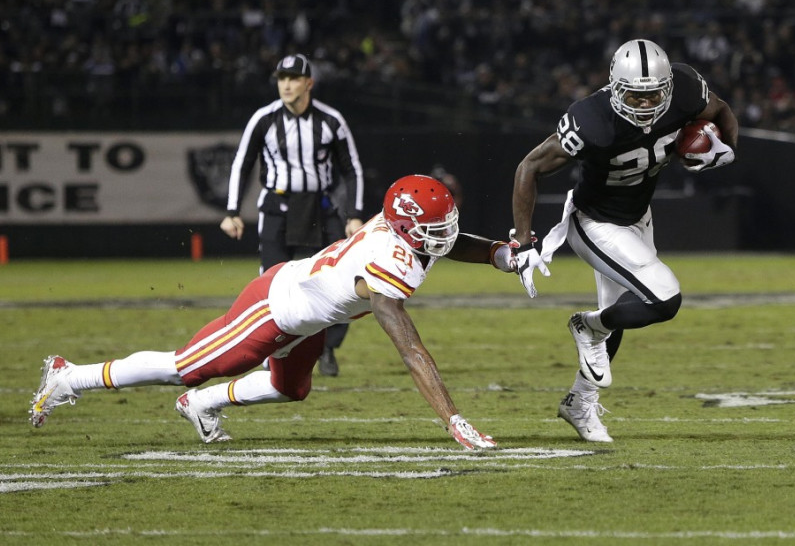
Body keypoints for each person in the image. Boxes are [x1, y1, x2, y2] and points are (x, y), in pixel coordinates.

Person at [30, 175, 519, 450]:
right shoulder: (382, 265)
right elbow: (412, 351)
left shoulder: (401, 235)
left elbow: (449, 244)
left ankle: (203, 405)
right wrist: (453, 418)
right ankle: (70, 376)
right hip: (274, 308)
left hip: (311, 313)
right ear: (408, 227)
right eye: (436, 225)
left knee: (291, 389)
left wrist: (501, 253)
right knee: (186, 367)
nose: (446, 232)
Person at [511, 39, 737, 443]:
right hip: (593, 222)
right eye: (636, 94)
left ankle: (579, 402)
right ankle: (586, 325)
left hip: (637, 216)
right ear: (615, 87)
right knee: (664, 297)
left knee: (624, 312)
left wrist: (727, 149)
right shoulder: (592, 120)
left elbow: (719, 109)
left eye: (654, 94)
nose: (646, 104)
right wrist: (526, 242)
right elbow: (529, 167)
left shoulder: (685, 87)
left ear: (668, 86)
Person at [220, 53, 365, 378]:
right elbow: (241, 163)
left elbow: (351, 168)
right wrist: (231, 211)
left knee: (339, 281)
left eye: (293, 78)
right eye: (282, 78)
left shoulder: (330, 120)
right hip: (278, 207)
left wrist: (354, 214)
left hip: (321, 206)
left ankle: (327, 347)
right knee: (269, 282)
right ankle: (269, 350)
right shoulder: (264, 119)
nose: (286, 85)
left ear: (308, 83)